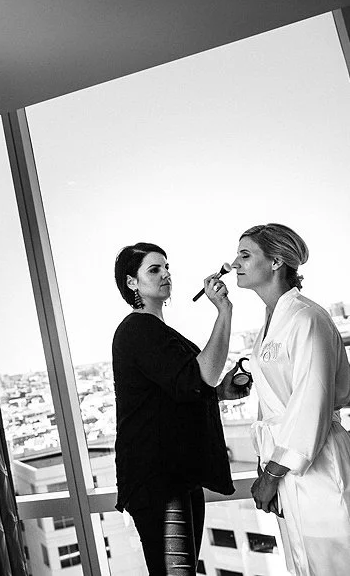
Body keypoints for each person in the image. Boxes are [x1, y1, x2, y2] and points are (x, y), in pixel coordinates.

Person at [112, 242, 247, 575]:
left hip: (174, 477)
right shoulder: (139, 330)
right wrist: (224, 310)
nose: (165, 274)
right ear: (132, 282)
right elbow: (202, 376)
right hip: (159, 482)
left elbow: (178, 392)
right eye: (154, 269)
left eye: (166, 267)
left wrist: (219, 393)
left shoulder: (155, 331)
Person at [232, 223, 350, 576]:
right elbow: (270, 404)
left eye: (245, 255)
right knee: (304, 563)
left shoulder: (307, 318)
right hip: (285, 467)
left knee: (335, 561)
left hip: (319, 464)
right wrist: (265, 464)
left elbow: (311, 402)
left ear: (276, 262)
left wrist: (271, 475)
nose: (235, 263)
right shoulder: (270, 323)